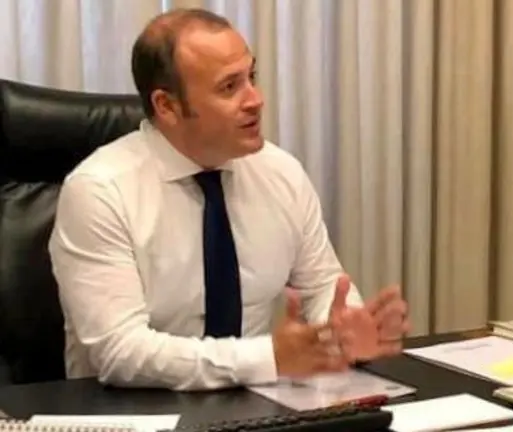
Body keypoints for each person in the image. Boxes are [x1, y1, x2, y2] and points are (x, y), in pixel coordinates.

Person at [48, 8, 410, 391]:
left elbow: (322, 286)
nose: (256, 100)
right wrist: (268, 358)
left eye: (251, 77)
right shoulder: (100, 191)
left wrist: (344, 330)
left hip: (260, 404)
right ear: (167, 106)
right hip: (134, 409)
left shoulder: (279, 172)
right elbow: (120, 352)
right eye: (229, 87)